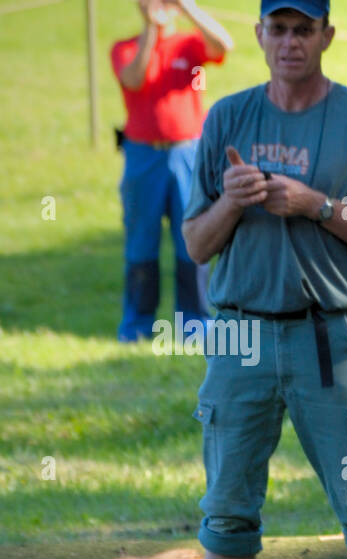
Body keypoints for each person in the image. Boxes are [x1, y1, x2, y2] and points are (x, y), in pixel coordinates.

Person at [181, 0, 347, 559]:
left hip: (329, 336)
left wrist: (313, 205)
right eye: (279, 29)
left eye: (303, 30)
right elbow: (195, 243)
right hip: (240, 335)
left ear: (327, 36)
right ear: (259, 34)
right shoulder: (227, 118)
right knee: (227, 511)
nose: (290, 42)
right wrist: (231, 201)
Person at [111, 0, 232, 342]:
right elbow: (133, 80)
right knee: (141, 241)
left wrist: (187, 6)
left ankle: (194, 324)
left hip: (187, 154)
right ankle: (137, 324)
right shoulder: (125, 48)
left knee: (191, 238)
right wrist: (152, 27)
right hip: (142, 157)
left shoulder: (190, 45)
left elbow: (224, 45)